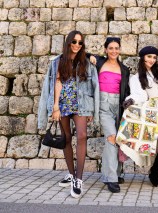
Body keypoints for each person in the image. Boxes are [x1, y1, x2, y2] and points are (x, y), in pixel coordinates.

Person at [38, 30, 99, 198]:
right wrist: (55, 107)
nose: (77, 45)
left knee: (81, 136)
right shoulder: (59, 61)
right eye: (74, 42)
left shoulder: (86, 62)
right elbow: (57, 82)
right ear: (68, 42)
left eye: (80, 42)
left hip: (80, 104)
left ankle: (78, 179)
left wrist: (91, 108)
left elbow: (93, 85)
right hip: (63, 103)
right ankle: (71, 174)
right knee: (66, 138)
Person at [121, 46, 158, 187]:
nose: (152, 60)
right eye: (149, 57)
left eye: (154, 57)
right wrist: (131, 100)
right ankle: (152, 173)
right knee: (150, 142)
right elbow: (139, 94)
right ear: (142, 58)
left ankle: (154, 172)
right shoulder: (136, 78)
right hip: (150, 112)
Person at [88, 37, 130, 193]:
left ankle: (116, 173)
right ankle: (110, 178)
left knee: (118, 140)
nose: (114, 51)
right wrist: (89, 56)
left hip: (118, 106)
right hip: (103, 104)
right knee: (111, 137)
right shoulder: (99, 62)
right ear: (105, 49)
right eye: (110, 48)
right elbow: (83, 55)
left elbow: (126, 90)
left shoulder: (124, 69)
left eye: (116, 48)